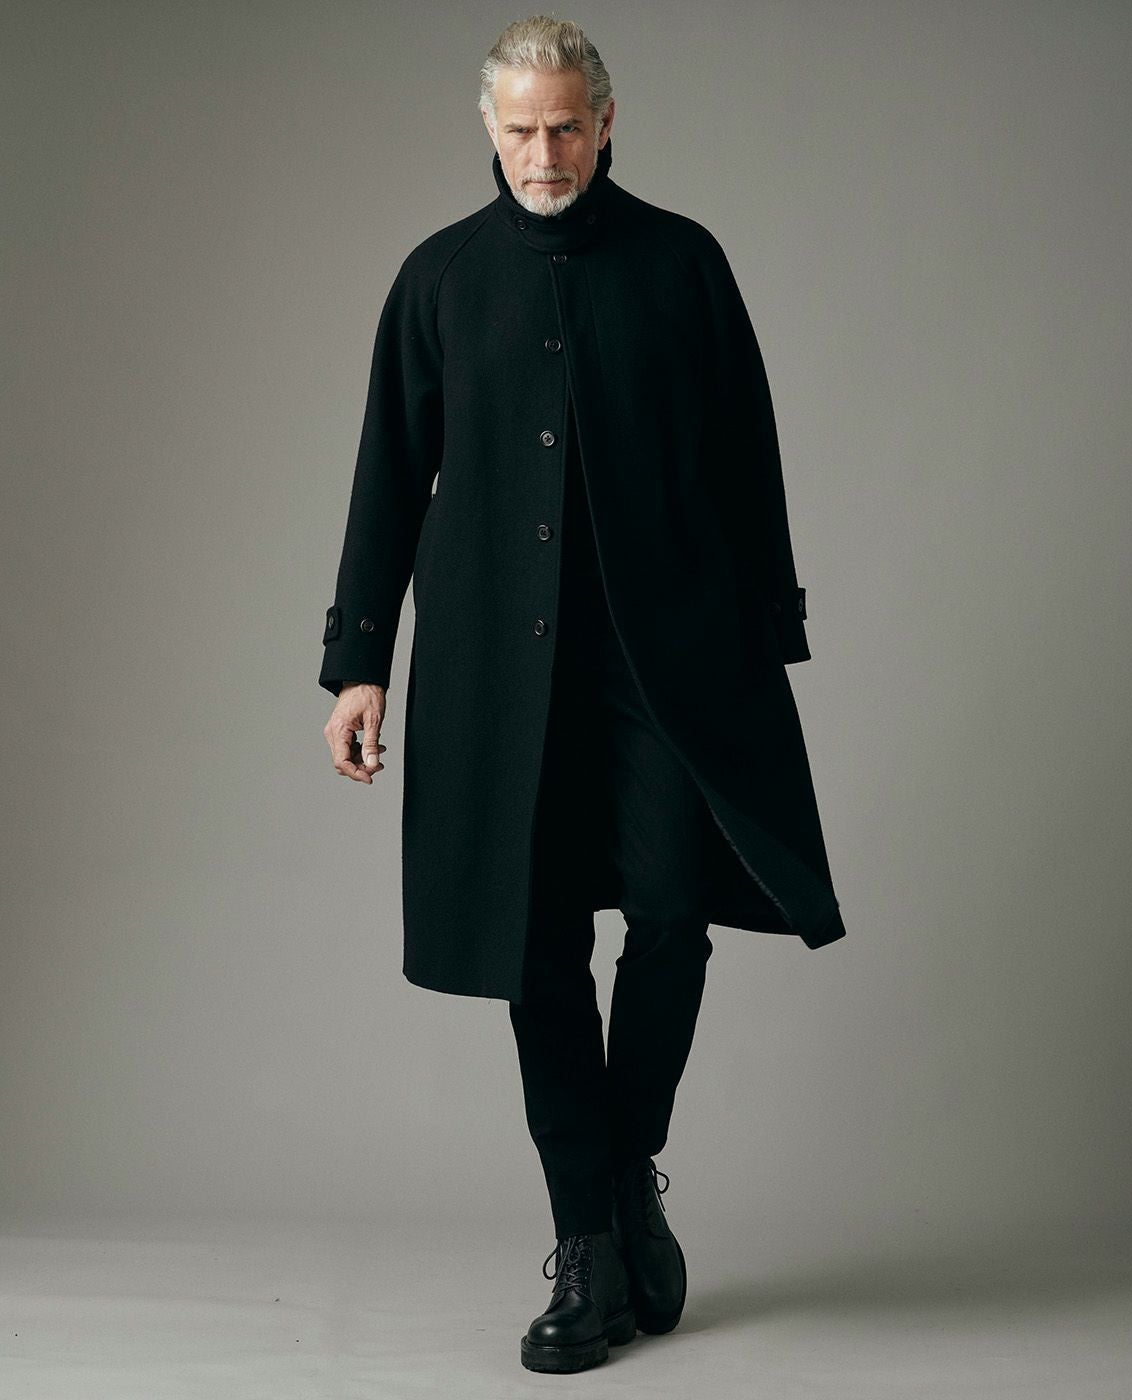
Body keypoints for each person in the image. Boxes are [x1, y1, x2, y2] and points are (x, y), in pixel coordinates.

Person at [319, 15, 846, 1376]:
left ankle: (625, 1168)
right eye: (520, 130)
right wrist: (359, 661)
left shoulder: (683, 264)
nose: (543, 154)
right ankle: (587, 1244)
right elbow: (390, 473)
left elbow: (746, 453)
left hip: (667, 663)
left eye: (565, 127)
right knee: (536, 943)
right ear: (488, 130)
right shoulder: (440, 279)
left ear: (608, 123)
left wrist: (771, 631)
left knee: (674, 911)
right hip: (499, 674)